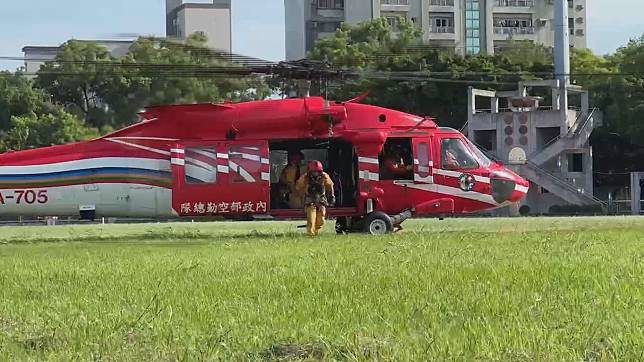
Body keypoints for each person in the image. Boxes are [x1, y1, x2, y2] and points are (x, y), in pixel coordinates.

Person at [296, 160, 335, 236]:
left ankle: (316, 232)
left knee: (321, 221)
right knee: (311, 219)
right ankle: (310, 235)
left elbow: (330, 187)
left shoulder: (325, 176)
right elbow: (298, 187)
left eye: (317, 171)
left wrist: (332, 197)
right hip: (309, 201)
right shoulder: (305, 177)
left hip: (321, 201)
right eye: (314, 171)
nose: (315, 173)